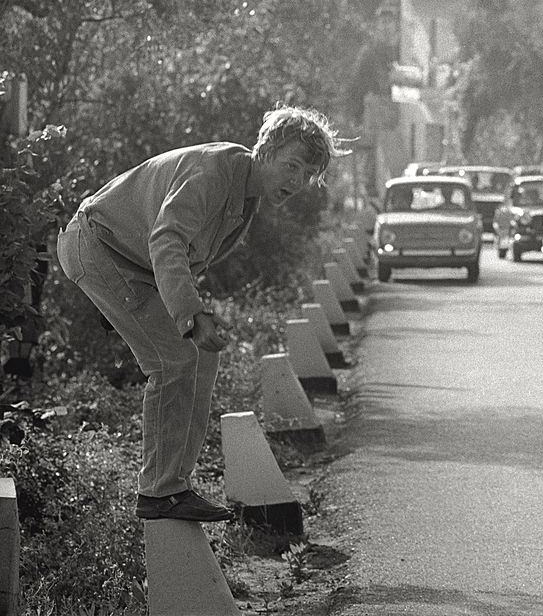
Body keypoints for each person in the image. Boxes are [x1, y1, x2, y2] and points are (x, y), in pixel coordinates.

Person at [55, 105, 345, 522]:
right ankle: (158, 490)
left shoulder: (244, 196)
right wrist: (190, 313)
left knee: (202, 354)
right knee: (172, 360)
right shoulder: (214, 173)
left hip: (131, 263)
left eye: (306, 174)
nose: (296, 181)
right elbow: (168, 238)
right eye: (292, 165)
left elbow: (185, 256)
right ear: (266, 149)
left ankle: (177, 484)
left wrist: (189, 313)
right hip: (100, 250)